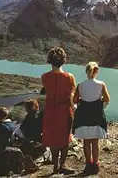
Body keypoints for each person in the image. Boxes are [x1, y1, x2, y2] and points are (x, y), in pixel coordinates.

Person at [41, 46, 76, 175]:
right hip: (64, 110)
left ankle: (55, 166)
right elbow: (72, 94)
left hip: (50, 110)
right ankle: (63, 165)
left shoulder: (44, 77)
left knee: (53, 137)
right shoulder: (69, 77)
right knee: (65, 137)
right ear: (63, 60)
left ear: (50, 61)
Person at [72, 61, 110, 175]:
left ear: (86, 71)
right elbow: (107, 99)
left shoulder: (80, 85)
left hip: (84, 116)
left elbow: (74, 100)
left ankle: (88, 163)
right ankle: (96, 164)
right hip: (96, 117)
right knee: (95, 142)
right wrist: (100, 100)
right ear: (96, 71)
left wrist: (82, 101)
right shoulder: (101, 84)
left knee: (86, 142)